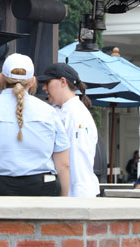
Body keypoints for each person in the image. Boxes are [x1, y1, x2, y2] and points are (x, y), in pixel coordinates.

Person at [0, 53, 70, 196]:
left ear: (1, 78)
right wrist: (63, 202)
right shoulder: (50, 113)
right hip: (43, 187)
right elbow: (64, 164)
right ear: (32, 82)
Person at [37, 63, 100, 198]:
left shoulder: (75, 114)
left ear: (63, 81)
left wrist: (66, 197)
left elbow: (73, 160)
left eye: (47, 82)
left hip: (76, 194)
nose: (44, 88)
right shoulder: (65, 112)